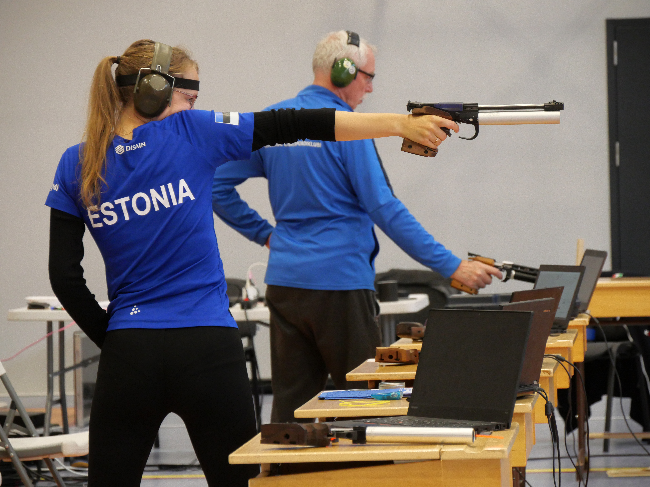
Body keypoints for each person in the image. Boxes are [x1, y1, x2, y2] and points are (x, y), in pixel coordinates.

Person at [46, 38, 459, 486]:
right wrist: (399, 124)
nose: (194, 108)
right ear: (156, 91)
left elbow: (64, 276)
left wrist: (115, 339)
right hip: (207, 348)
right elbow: (300, 123)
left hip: (130, 351)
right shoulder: (191, 131)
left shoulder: (75, 162)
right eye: (190, 98)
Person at [211, 30, 503, 424]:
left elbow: (216, 186)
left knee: (292, 414)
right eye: (368, 77)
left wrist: (264, 234)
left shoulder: (275, 123)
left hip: (285, 284)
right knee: (366, 407)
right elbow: (384, 207)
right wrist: (452, 266)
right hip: (341, 287)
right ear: (344, 72)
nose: (370, 88)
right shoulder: (348, 128)